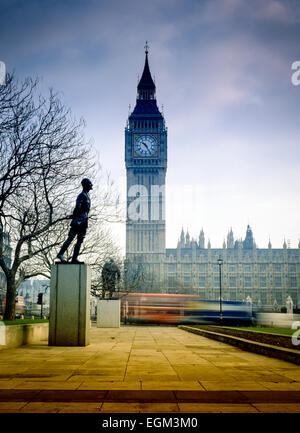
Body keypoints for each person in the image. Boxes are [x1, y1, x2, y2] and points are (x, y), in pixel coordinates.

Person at [57, 178, 93, 264]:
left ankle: (74, 258)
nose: (92, 185)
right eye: (90, 183)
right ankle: (60, 254)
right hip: (78, 221)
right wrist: (74, 216)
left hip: (84, 221)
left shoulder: (87, 195)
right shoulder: (82, 195)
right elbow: (77, 207)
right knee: (71, 238)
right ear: (85, 185)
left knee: (80, 240)